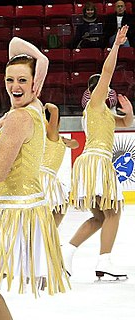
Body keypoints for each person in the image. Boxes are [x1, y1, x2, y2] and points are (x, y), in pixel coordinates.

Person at [0, 37, 69, 320]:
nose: (15, 86)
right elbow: (13, 43)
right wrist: (37, 65)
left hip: (15, 212)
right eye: (10, 79)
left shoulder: (20, 117)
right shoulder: (34, 108)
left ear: (36, 83)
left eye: (23, 80)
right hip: (17, 208)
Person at [62, 25, 134, 280]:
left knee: (100, 216)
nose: (108, 89)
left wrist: (129, 111)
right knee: (113, 210)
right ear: (95, 91)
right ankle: (105, 260)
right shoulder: (94, 105)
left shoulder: (103, 113)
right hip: (96, 161)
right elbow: (107, 72)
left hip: (93, 161)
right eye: (104, 87)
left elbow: (126, 123)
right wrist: (116, 46)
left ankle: (67, 253)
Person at [41, 103, 79, 227]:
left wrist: (66, 141)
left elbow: (75, 144)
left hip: (48, 178)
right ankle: (47, 237)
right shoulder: (50, 134)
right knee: (59, 205)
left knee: (61, 204)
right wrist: (45, 106)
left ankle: (49, 237)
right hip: (43, 178)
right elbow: (55, 109)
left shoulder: (56, 138)